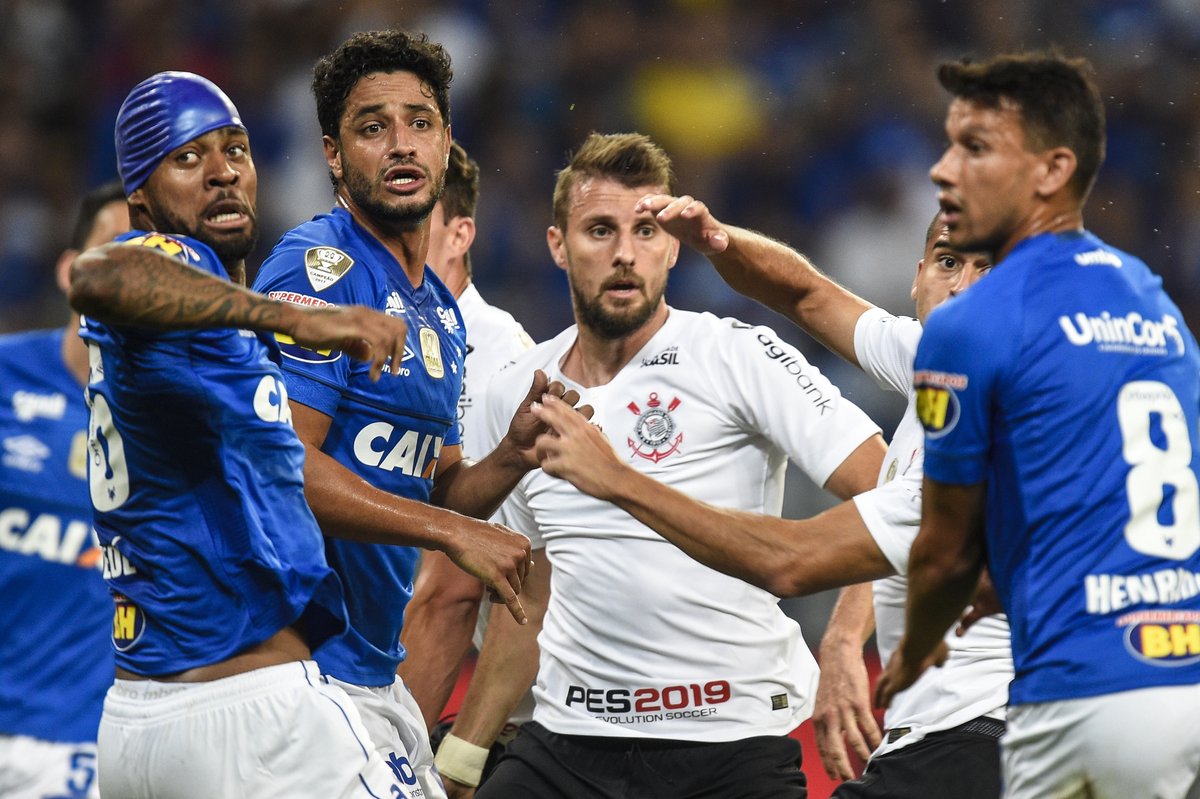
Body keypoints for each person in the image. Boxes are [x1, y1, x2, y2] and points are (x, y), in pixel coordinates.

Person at [440, 131, 885, 799]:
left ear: (673, 244)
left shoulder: (737, 356)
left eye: (646, 229)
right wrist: (464, 756)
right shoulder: (514, 392)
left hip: (730, 743)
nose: (625, 252)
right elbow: (525, 596)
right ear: (558, 245)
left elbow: (899, 493)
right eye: (599, 229)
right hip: (570, 746)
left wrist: (846, 640)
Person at [533, 190, 1010, 796]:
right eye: (949, 262)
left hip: (984, 737)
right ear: (917, 281)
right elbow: (805, 293)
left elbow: (791, 561)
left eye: (990, 269)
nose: (963, 287)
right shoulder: (934, 362)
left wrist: (616, 477)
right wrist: (718, 241)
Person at [70, 70, 419, 799]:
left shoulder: (204, 323)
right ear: (141, 198)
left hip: (140, 723)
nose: (224, 171)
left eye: (236, 148)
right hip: (254, 720)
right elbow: (102, 273)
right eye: (187, 159)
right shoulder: (174, 261)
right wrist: (301, 318)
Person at [251, 30, 578, 799]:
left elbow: (434, 483)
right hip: (292, 668)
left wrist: (511, 455)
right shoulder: (317, 268)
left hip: (369, 671)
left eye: (419, 122)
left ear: (447, 140)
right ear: (334, 155)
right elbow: (283, 468)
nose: (401, 144)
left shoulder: (440, 311)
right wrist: (454, 532)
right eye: (373, 128)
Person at [873, 52, 1200, 799]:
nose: (943, 169)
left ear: (1051, 170)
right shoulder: (1148, 304)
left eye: (975, 150)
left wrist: (913, 652)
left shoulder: (979, 332)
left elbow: (942, 557)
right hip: (1175, 680)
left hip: (1053, 702)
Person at [396, 140, 537, 747]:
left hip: (551, 711)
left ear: (459, 236)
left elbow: (455, 590)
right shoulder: (405, 345)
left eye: (413, 222)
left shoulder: (492, 361)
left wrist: (400, 757)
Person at [0, 182, 127, 799]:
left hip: (86, 746)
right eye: (115, 247)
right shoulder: (4, 376)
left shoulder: (190, 418)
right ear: (68, 271)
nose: (136, 266)